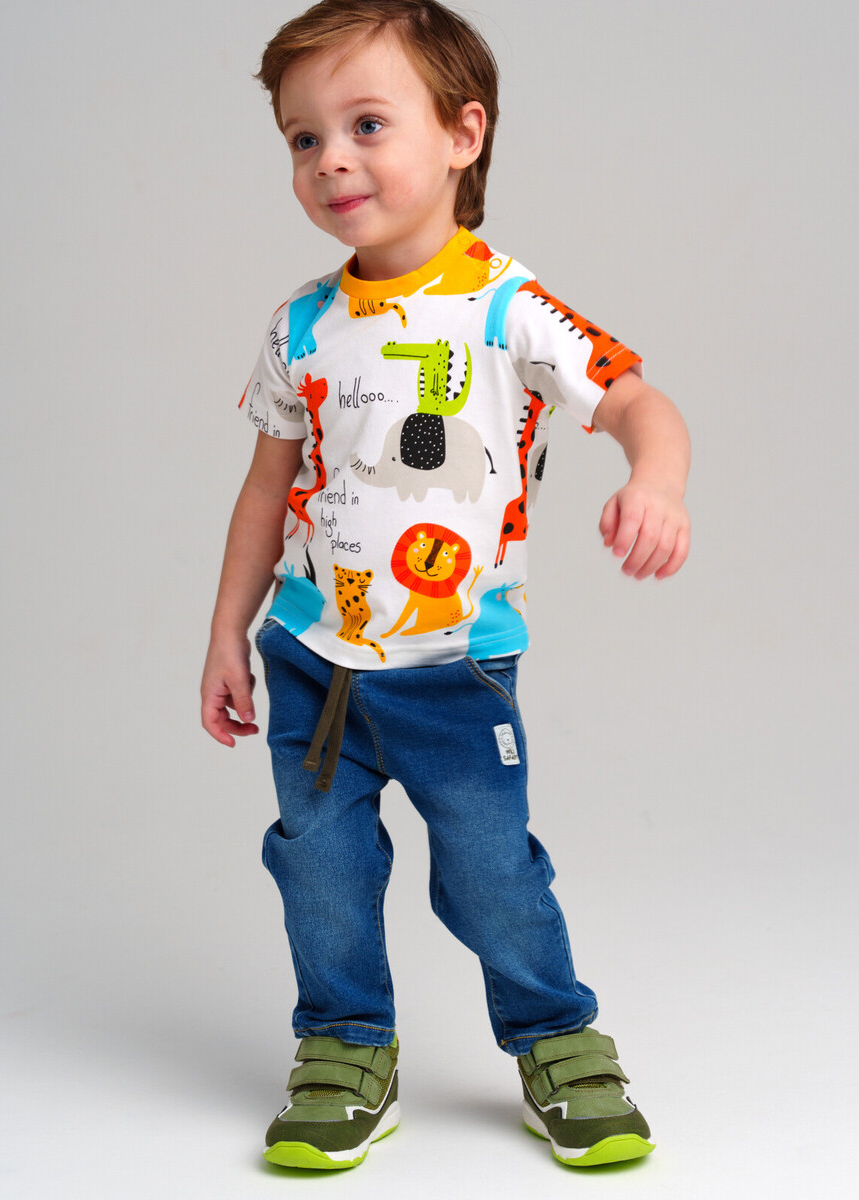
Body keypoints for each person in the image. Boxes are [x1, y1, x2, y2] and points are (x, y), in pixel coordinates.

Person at [200, 0, 690, 1173]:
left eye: (366, 124)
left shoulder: (509, 306)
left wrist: (658, 479)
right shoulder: (301, 325)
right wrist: (226, 633)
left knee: (490, 870)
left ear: (464, 135)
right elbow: (265, 492)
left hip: (455, 668)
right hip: (312, 660)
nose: (332, 160)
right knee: (320, 867)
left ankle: (557, 1035)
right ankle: (344, 1044)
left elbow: (637, 400)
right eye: (304, 138)